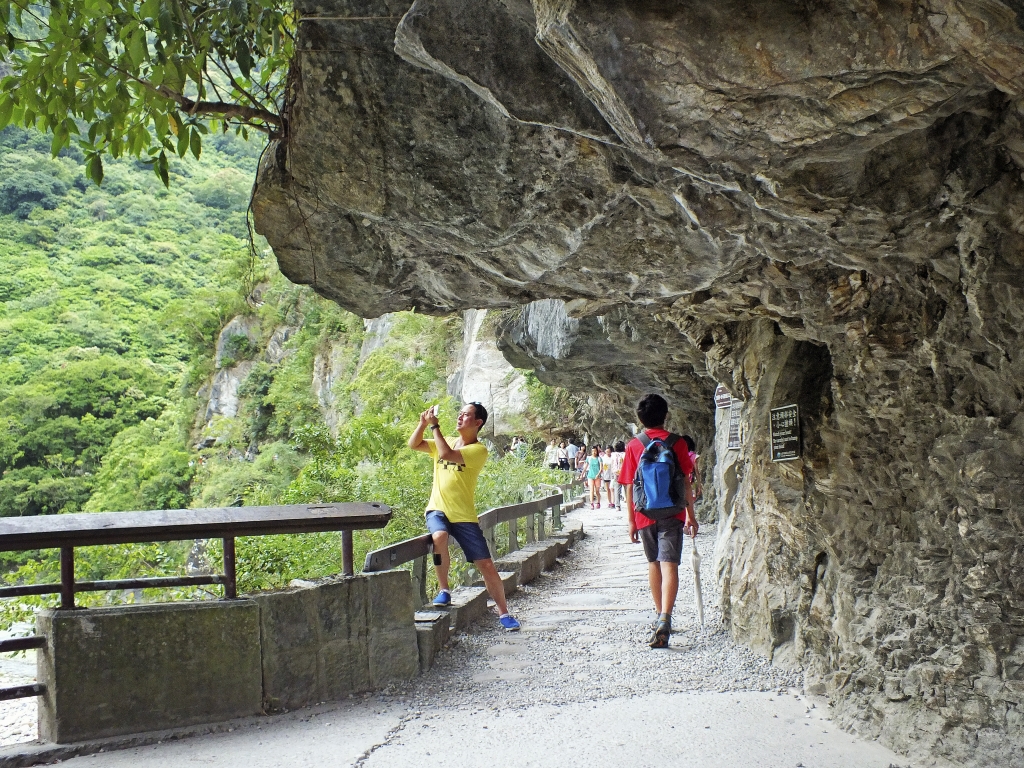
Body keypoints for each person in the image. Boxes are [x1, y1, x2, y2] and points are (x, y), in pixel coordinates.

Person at [408, 402, 520, 631]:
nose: (460, 417)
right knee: (439, 537)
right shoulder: (444, 439)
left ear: (478, 423)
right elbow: (414, 444)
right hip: (437, 507)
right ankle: (444, 590)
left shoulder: (478, 450)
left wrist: (434, 427)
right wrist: (422, 424)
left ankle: (504, 613)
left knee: (486, 564)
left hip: (464, 515)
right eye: (459, 414)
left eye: (466, 415)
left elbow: (448, 455)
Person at [618, 394, 696, 649]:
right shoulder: (678, 443)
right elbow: (686, 480)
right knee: (669, 564)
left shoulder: (634, 445)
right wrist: (691, 516)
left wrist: (631, 521)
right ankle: (666, 617)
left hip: (644, 514)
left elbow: (630, 485)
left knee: (653, 563)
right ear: (665, 415)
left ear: (640, 419)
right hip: (673, 512)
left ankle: (658, 614)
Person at [681, 434, 703, 501]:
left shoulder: (679, 457)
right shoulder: (695, 457)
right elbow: (697, 472)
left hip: (682, 483)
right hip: (692, 483)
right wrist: (700, 486)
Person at [610, 440, 626, 509]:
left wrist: (613, 473)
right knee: (626, 488)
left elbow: (612, 464)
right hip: (624, 472)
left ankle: (617, 505)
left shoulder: (613, 455)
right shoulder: (625, 454)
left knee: (617, 489)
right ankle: (629, 503)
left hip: (616, 473)